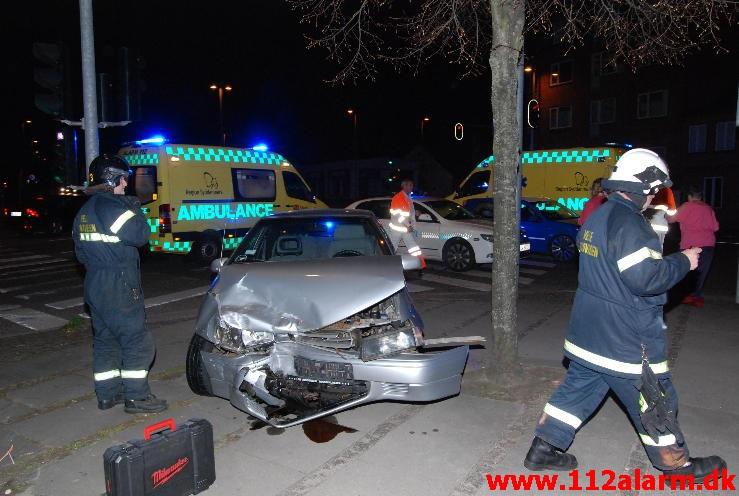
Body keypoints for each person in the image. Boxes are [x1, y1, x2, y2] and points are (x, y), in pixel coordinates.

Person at [523, 149, 725, 483]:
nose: (653, 197)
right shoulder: (631, 223)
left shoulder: (598, 217)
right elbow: (645, 279)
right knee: (655, 397)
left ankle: (544, 448)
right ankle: (676, 467)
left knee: (578, 389)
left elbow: (613, 268)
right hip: (625, 340)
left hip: (588, 333)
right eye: (653, 190)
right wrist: (683, 262)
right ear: (643, 187)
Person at [72, 155, 167, 414]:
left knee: (105, 340)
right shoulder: (114, 207)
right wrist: (134, 206)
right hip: (118, 283)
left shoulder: (84, 211)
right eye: (123, 178)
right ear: (113, 178)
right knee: (136, 339)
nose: (126, 184)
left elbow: (80, 255)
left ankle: (107, 394)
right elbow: (140, 235)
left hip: (94, 283)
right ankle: (137, 398)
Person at [668, 186, 719, 308]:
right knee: (701, 272)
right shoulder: (708, 208)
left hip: (690, 245)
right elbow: (716, 227)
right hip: (708, 244)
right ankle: (696, 296)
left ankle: (686, 296)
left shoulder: (687, 206)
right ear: (701, 197)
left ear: (689, 196)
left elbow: (671, 219)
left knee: (686, 270)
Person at [387, 179, 426, 268]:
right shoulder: (398, 197)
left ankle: (420, 264)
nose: (411, 187)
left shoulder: (407, 198)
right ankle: (385, 265)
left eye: (412, 185)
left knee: (413, 247)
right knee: (392, 247)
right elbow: (397, 215)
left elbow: (408, 213)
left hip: (405, 229)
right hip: (397, 229)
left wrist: (415, 213)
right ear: (404, 186)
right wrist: (407, 226)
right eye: (409, 185)